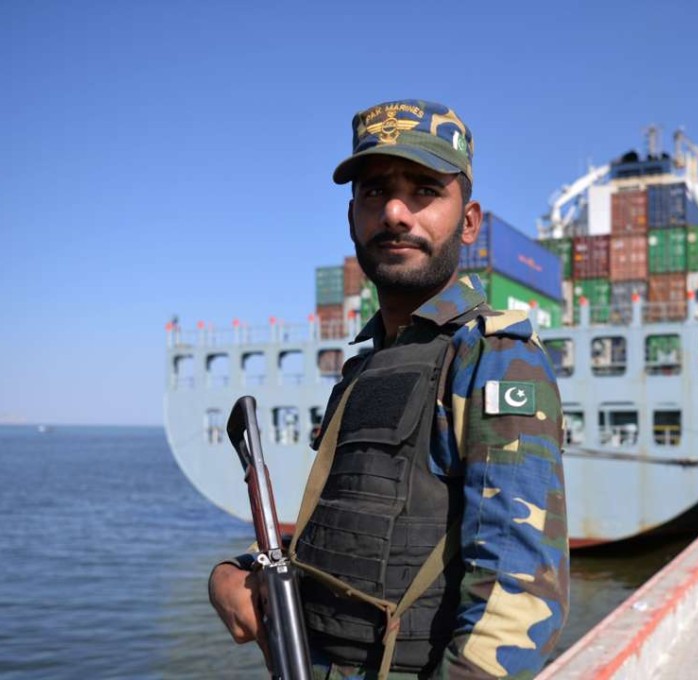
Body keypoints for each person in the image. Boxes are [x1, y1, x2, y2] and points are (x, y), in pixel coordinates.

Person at [208, 100, 569, 679]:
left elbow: (520, 597)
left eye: (425, 190)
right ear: (352, 218)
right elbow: (351, 535)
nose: (396, 213)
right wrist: (235, 574)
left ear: (469, 221)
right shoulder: (365, 369)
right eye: (375, 192)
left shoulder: (493, 359)